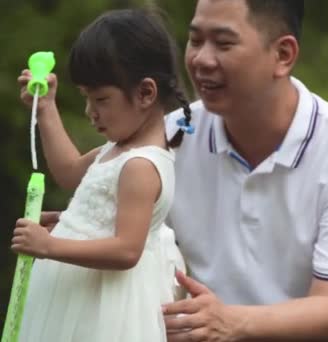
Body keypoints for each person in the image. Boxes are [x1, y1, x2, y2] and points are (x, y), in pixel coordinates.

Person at [160, 0, 328, 341]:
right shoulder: (174, 135)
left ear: (283, 55)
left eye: (223, 43)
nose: (202, 59)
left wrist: (228, 322)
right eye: (195, 40)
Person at [13, 8, 190, 342]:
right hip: (79, 295)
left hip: (104, 306)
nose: (90, 112)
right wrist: (47, 109)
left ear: (145, 93)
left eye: (101, 99)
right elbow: (69, 174)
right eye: (86, 99)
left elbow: (126, 250)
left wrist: (50, 245)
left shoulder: (140, 166)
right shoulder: (118, 150)